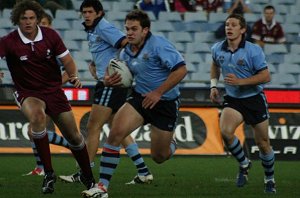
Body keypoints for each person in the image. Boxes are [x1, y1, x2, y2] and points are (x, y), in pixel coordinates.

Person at [81, 9, 187, 198]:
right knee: (115, 134)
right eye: (127, 29)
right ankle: (102, 187)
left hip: (165, 103)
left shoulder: (159, 45)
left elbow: (181, 70)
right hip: (139, 99)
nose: (129, 33)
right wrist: (107, 80)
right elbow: (118, 72)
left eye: (134, 29)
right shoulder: (125, 52)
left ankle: (171, 144)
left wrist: (158, 93)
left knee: (159, 157)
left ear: (145, 30)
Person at [0, 0, 96, 194]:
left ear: (37, 19)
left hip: (53, 91)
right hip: (27, 92)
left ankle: (88, 176)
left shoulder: (51, 35)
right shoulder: (8, 41)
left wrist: (74, 76)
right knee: (37, 116)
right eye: (23, 18)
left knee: (75, 138)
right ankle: (49, 173)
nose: (28, 22)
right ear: (17, 20)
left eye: (31, 18)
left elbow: (68, 61)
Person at [59, 0, 153, 185]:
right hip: (110, 83)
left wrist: (121, 67)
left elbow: (124, 42)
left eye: (90, 12)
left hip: (111, 84)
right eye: (84, 12)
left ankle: (85, 172)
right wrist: (96, 64)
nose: (86, 15)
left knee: (93, 127)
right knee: (119, 128)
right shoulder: (93, 29)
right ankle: (143, 171)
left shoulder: (102, 26)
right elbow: (107, 48)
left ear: (99, 13)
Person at [210, 13, 276, 193]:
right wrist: (214, 86)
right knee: (226, 131)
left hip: (254, 99)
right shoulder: (217, 48)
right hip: (233, 100)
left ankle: (269, 179)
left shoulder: (253, 50)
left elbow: (265, 76)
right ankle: (244, 163)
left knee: (263, 143)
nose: (229, 28)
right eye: (226, 25)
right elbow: (215, 65)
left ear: (243, 29)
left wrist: (240, 81)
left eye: (233, 25)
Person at [22, 11, 71, 177]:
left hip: (51, 95)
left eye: (44, 23)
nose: (41, 26)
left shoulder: (53, 45)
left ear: (49, 26)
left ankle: (71, 145)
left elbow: (69, 71)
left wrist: (54, 85)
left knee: (34, 130)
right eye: (39, 23)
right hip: (36, 95)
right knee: (34, 130)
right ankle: (41, 166)